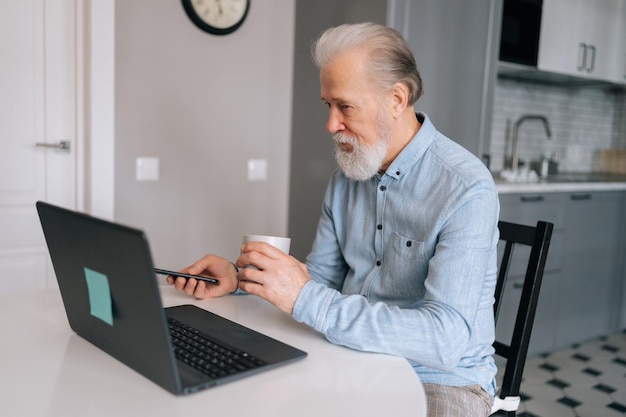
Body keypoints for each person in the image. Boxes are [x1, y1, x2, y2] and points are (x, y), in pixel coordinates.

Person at [168, 22, 500, 417]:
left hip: (441, 379)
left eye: (345, 106)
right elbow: (320, 280)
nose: (331, 124)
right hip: (351, 355)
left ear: (396, 98)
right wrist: (242, 279)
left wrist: (307, 299)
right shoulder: (347, 178)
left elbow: (445, 341)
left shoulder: (465, 187)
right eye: (329, 105)